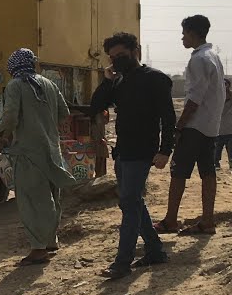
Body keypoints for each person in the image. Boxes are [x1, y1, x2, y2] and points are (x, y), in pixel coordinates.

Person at [89, 33, 176, 280]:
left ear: (135, 51)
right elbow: (96, 106)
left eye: (121, 56)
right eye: (113, 58)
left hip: (143, 151)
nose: (117, 61)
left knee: (128, 203)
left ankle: (122, 263)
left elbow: (168, 118)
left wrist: (165, 150)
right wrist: (107, 81)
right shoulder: (119, 82)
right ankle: (155, 250)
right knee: (133, 202)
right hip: (123, 151)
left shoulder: (155, 79)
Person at [0, 49, 79, 266]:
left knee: (31, 200)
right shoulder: (47, 84)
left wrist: (1, 137)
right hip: (51, 150)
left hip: (28, 152)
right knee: (51, 197)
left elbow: (10, 115)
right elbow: (64, 112)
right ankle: (51, 241)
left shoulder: (15, 85)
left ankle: (38, 249)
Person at [156, 15, 226, 235]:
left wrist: (179, 127)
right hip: (211, 125)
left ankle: (170, 220)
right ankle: (207, 222)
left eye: (184, 33)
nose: (182, 37)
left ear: (193, 33)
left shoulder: (199, 59)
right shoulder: (213, 56)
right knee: (207, 172)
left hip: (195, 126)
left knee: (178, 173)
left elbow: (194, 99)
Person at [217, 77, 232, 170]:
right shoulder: (216, 97)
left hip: (230, 129)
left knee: (231, 149)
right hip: (218, 129)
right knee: (217, 149)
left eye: (225, 84)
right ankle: (216, 164)